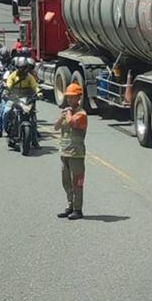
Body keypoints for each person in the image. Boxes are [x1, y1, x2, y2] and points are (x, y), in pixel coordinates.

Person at [54, 83, 88, 220]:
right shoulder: (67, 113)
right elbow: (56, 127)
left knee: (77, 183)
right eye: (68, 97)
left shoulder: (81, 114)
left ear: (79, 98)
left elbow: (72, 123)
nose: (69, 100)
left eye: (73, 97)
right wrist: (61, 117)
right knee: (66, 182)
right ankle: (70, 206)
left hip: (76, 154)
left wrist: (67, 114)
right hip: (65, 152)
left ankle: (78, 209)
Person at [0, 56, 41, 137]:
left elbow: (35, 86)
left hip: (26, 99)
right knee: (6, 112)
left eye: (23, 68)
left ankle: (34, 134)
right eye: (19, 67)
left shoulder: (29, 77)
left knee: (32, 114)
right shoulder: (12, 76)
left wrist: (39, 93)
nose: (21, 69)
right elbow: (8, 85)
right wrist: (7, 92)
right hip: (14, 98)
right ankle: (5, 129)